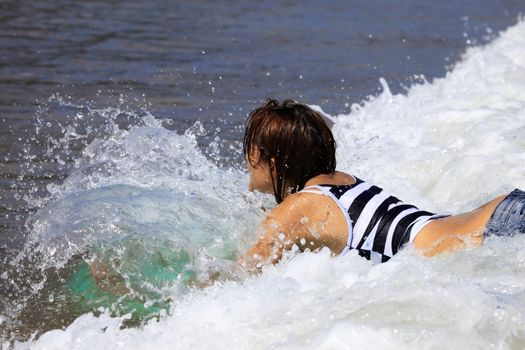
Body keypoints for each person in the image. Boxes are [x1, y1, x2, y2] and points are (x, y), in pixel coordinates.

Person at [240, 99, 525, 269]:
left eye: (250, 149)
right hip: (503, 213)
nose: (245, 160)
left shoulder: (298, 206)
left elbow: (248, 270)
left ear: (273, 161)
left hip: (494, 233)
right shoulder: (342, 181)